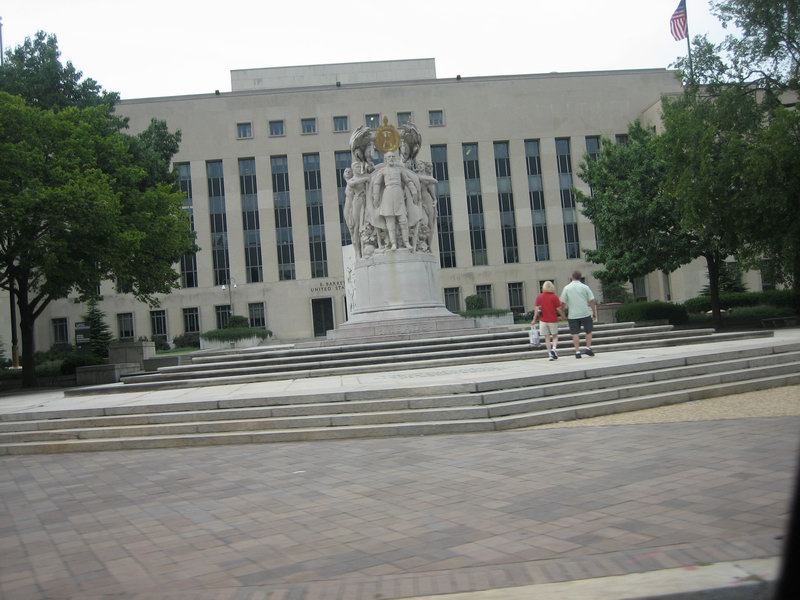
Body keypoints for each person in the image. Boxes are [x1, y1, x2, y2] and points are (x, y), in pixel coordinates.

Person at [559, 271, 598, 359]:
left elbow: (562, 302)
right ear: (580, 277)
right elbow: (592, 300)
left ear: (572, 277)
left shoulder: (567, 288)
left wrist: (562, 313)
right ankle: (588, 348)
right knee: (588, 331)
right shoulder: (585, 287)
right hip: (585, 313)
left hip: (573, 315)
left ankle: (577, 351)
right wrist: (594, 312)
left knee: (575, 333)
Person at [532, 281, 563, 360]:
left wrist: (534, 319)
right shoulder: (554, 297)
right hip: (553, 319)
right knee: (555, 336)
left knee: (547, 337)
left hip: (543, 320)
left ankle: (550, 354)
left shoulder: (539, 297)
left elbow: (536, 309)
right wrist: (563, 316)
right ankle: (554, 349)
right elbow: (558, 309)